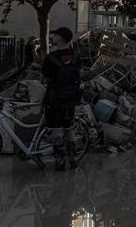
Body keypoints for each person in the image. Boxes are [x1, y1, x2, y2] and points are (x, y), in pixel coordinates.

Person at [41, 26, 81, 170]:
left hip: (55, 99)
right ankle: (73, 158)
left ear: (60, 38)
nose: (53, 37)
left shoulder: (51, 58)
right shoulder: (76, 55)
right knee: (69, 128)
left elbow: (45, 74)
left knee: (56, 130)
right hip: (70, 99)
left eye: (55, 35)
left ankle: (60, 161)